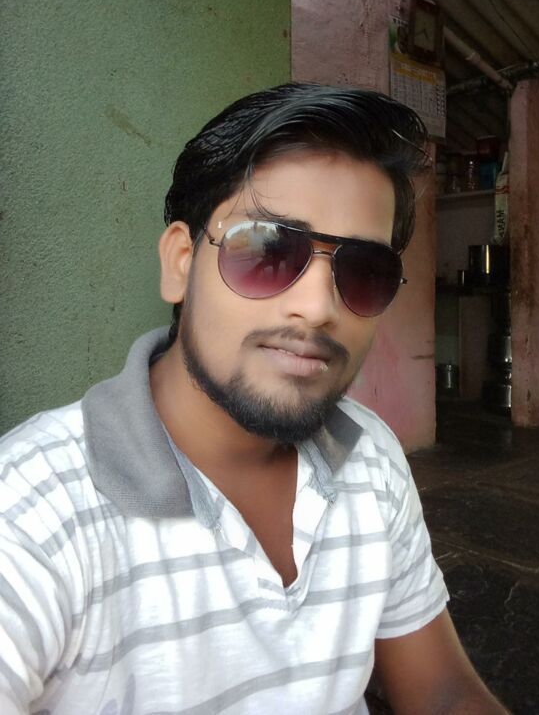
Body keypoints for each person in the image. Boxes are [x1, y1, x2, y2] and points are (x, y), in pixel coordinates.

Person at [0, 84, 507, 714]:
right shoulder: (31, 515)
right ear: (181, 263)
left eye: (363, 271)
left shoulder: (370, 455)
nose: (317, 308)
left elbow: (444, 692)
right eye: (268, 249)